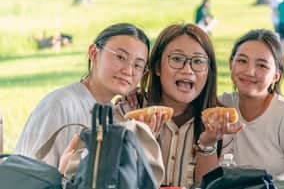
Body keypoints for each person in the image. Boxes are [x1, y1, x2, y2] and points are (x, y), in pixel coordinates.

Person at [115, 23, 242, 188]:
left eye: (198, 61)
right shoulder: (129, 111)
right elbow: (116, 180)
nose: (188, 70)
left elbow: (210, 186)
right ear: (157, 67)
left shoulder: (220, 123)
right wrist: (143, 142)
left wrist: (208, 144)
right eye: (176, 59)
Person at [14, 23, 156, 166]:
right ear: (94, 53)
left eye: (137, 65)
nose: (128, 71)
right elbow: (29, 175)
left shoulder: (112, 116)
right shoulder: (60, 105)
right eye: (120, 57)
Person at [220, 29, 284, 180]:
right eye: (242, 61)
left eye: (262, 65)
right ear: (230, 64)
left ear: (276, 76)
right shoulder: (221, 106)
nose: (250, 71)